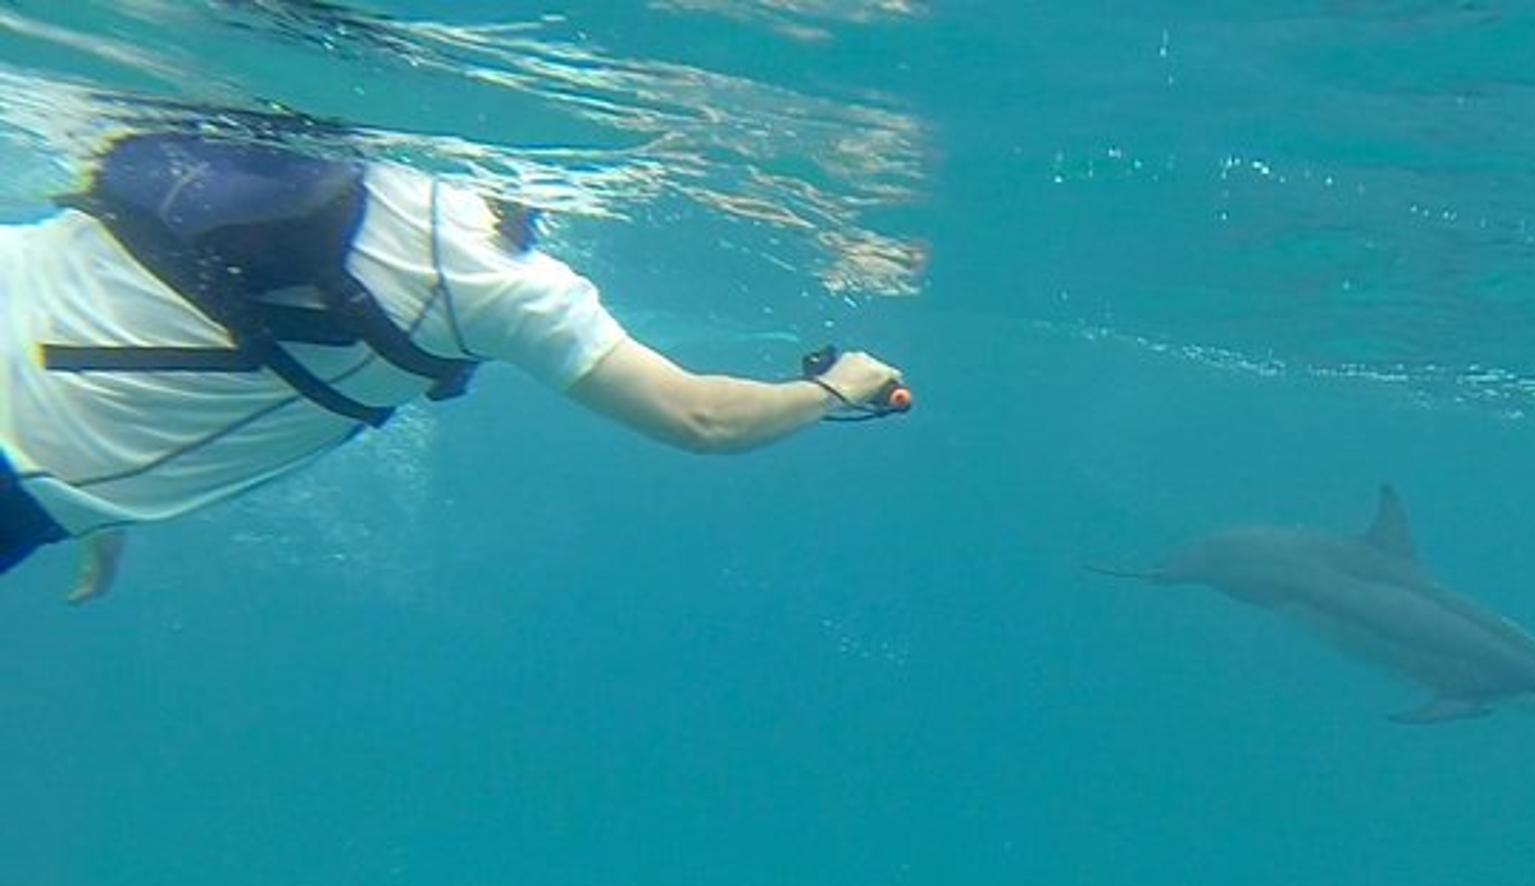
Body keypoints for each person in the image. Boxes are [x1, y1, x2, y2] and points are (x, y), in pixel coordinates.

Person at [0, 130, 909, 602]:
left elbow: (150, 286)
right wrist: (837, 388)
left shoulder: (307, 157)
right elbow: (699, 419)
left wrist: (102, 503)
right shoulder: (495, 282)